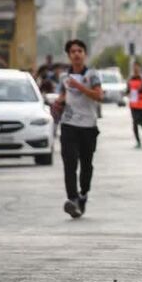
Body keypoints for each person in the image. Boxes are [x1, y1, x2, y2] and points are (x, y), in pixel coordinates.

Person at [55, 39, 104, 219]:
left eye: (80, 51)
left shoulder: (92, 75)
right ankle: (72, 199)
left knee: (86, 165)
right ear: (68, 55)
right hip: (69, 125)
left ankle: (83, 194)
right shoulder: (64, 77)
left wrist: (80, 87)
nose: (76, 54)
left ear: (85, 54)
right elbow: (62, 94)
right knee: (69, 164)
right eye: (73, 51)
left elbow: (99, 96)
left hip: (88, 127)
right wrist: (58, 101)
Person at [126, 62, 142, 148]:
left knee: (141, 120)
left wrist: (141, 90)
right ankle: (138, 141)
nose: (135, 69)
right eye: (134, 67)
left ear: (139, 68)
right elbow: (128, 90)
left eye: (137, 67)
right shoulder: (130, 78)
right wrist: (128, 93)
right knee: (135, 122)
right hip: (133, 104)